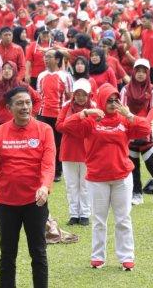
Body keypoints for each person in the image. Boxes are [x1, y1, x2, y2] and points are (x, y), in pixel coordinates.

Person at [62, 83, 152, 271]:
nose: (112, 103)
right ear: (101, 100)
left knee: (123, 218)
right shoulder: (91, 121)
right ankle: (97, 257)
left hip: (122, 177)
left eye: (115, 100)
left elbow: (144, 130)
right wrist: (86, 113)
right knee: (99, 220)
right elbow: (66, 126)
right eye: (109, 100)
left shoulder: (124, 120)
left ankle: (126, 257)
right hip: (97, 178)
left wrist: (129, 115)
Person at [0, 86, 55, 287]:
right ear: (9, 108)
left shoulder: (44, 130)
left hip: (35, 202)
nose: (25, 107)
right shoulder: (0, 132)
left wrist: (45, 186)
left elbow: (48, 162)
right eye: (19, 103)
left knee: (38, 253)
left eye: (28, 103)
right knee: (7, 254)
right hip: (7, 203)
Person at [120, 58, 153, 205]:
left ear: (148, 73)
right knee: (133, 165)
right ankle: (136, 193)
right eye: (137, 71)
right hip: (130, 131)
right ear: (133, 72)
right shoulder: (125, 89)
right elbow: (122, 109)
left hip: (146, 133)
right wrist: (131, 120)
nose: (140, 74)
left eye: (143, 71)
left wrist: (143, 122)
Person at [56, 79, 94, 225]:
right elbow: (59, 125)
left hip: (87, 151)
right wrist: (76, 126)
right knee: (71, 185)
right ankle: (73, 214)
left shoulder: (93, 107)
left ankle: (84, 214)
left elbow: (93, 127)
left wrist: (71, 126)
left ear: (89, 95)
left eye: (83, 94)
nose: (80, 97)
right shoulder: (67, 106)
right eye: (78, 93)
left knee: (85, 185)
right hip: (69, 151)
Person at [36, 48, 72, 181]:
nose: (45, 59)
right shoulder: (41, 76)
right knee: (43, 143)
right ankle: (42, 169)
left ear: (57, 60)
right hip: (43, 114)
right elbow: (38, 96)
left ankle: (57, 171)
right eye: (45, 56)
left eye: (49, 56)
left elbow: (70, 97)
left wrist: (67, 116)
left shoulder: (65, 76)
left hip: (58, 115)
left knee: (57, 144)